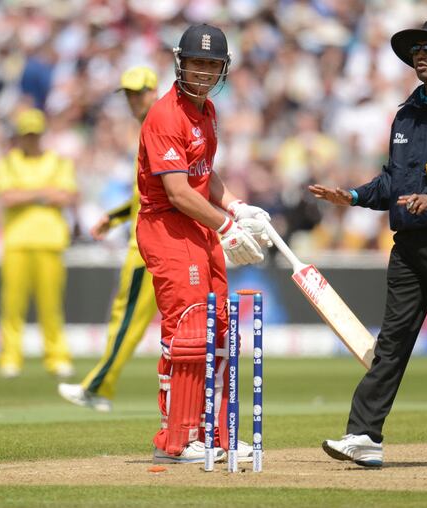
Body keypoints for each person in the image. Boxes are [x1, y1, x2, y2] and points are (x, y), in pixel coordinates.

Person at [310, 21, 427, 470]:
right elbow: (394, 183)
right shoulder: (407, 114)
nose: (419, 55)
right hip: (408, 245)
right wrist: (354, 196)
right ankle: (364, 435)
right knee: (392, 341)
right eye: (415, 49)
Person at [135, 24, 271, 464]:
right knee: (188, 329)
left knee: (218, 328)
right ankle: (175, 440)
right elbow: (176, 191)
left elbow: (203, 174)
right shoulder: (164, 115)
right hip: (167, 227)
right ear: (180, 63)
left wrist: (237, 207)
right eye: (197, 63)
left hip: (199, 226)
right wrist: (227, 228)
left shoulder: (208, 111)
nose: (204, 72)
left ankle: (214, 433)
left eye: (213, 64)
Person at [58, 66, 160, 412]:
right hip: (149, 236)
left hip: (148, 243)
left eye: (137, 93)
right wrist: (115, 216)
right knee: (131, 317)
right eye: (128, 95)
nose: (133, 101)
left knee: (127, 317)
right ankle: (103, 386)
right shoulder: (152, 126)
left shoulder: (156, 125)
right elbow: (146, 191)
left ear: (152, 90)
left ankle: (98, 386)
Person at [0, 108, 78, 379]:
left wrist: (26, 193)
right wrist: (43, 192)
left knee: (51, 306)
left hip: (50, 242)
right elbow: (8, 198)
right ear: (19, 136)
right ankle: (10, 357)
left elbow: (66, 196)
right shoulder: (7, 162)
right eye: (26, 135)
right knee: (12, 306)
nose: (31, 140)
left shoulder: (59, 162)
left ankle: (56, 358)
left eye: (35, 135)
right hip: (17, 242)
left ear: (41, 135)